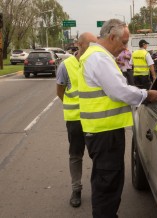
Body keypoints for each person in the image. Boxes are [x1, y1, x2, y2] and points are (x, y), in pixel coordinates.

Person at [77, 19, 157, 218]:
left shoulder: (97, 56)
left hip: (101, 131)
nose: (125, 48)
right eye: (123, 42)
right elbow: (119, 91)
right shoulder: (99, 58)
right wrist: (146, 95)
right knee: (108, 183)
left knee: (105, 179)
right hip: (105, 133)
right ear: (111, 36)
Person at [56, 32, 98, 208]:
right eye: (90, 45)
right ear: (79, 45)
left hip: (96, 119)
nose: (93, 49)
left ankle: (99, 189)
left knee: (99, 156)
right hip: (75, 120)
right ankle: (76, 189)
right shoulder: (66, 66)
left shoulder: (97, 63)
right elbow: (60, 91)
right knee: (75, 155)